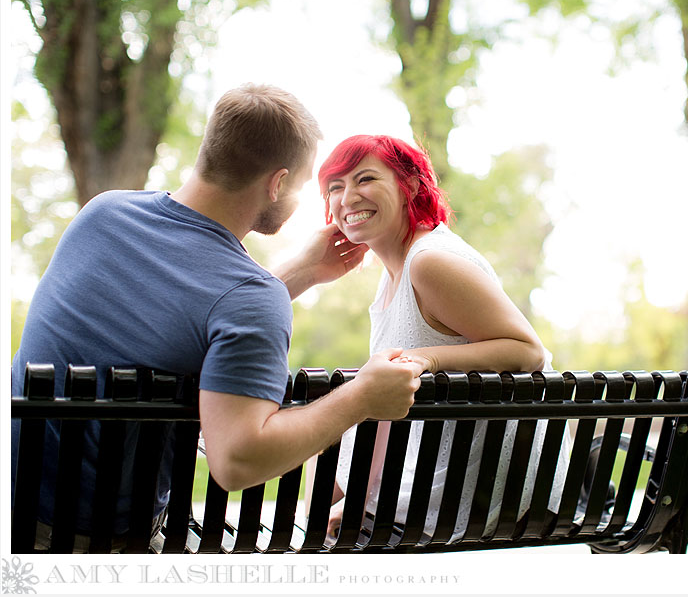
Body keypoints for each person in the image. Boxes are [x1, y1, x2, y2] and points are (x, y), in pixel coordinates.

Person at [10, 84, 422, 552]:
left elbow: (183, 315)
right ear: (277, 183)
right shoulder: (248, 296)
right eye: (305, 185)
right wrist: (362, 397)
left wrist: (300, 271)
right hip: (95, 541)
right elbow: (237, 461)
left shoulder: (101, 214)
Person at [316, 134, 570, 543]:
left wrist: (426, 359)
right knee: (320, 493)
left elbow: (529, 351)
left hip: (476, 498)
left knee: (313, 499)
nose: (348, 197)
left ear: (410, 186)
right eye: (334, 187)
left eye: (364, 179)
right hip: (446, 489)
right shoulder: (392, 277)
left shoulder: (430, 262)